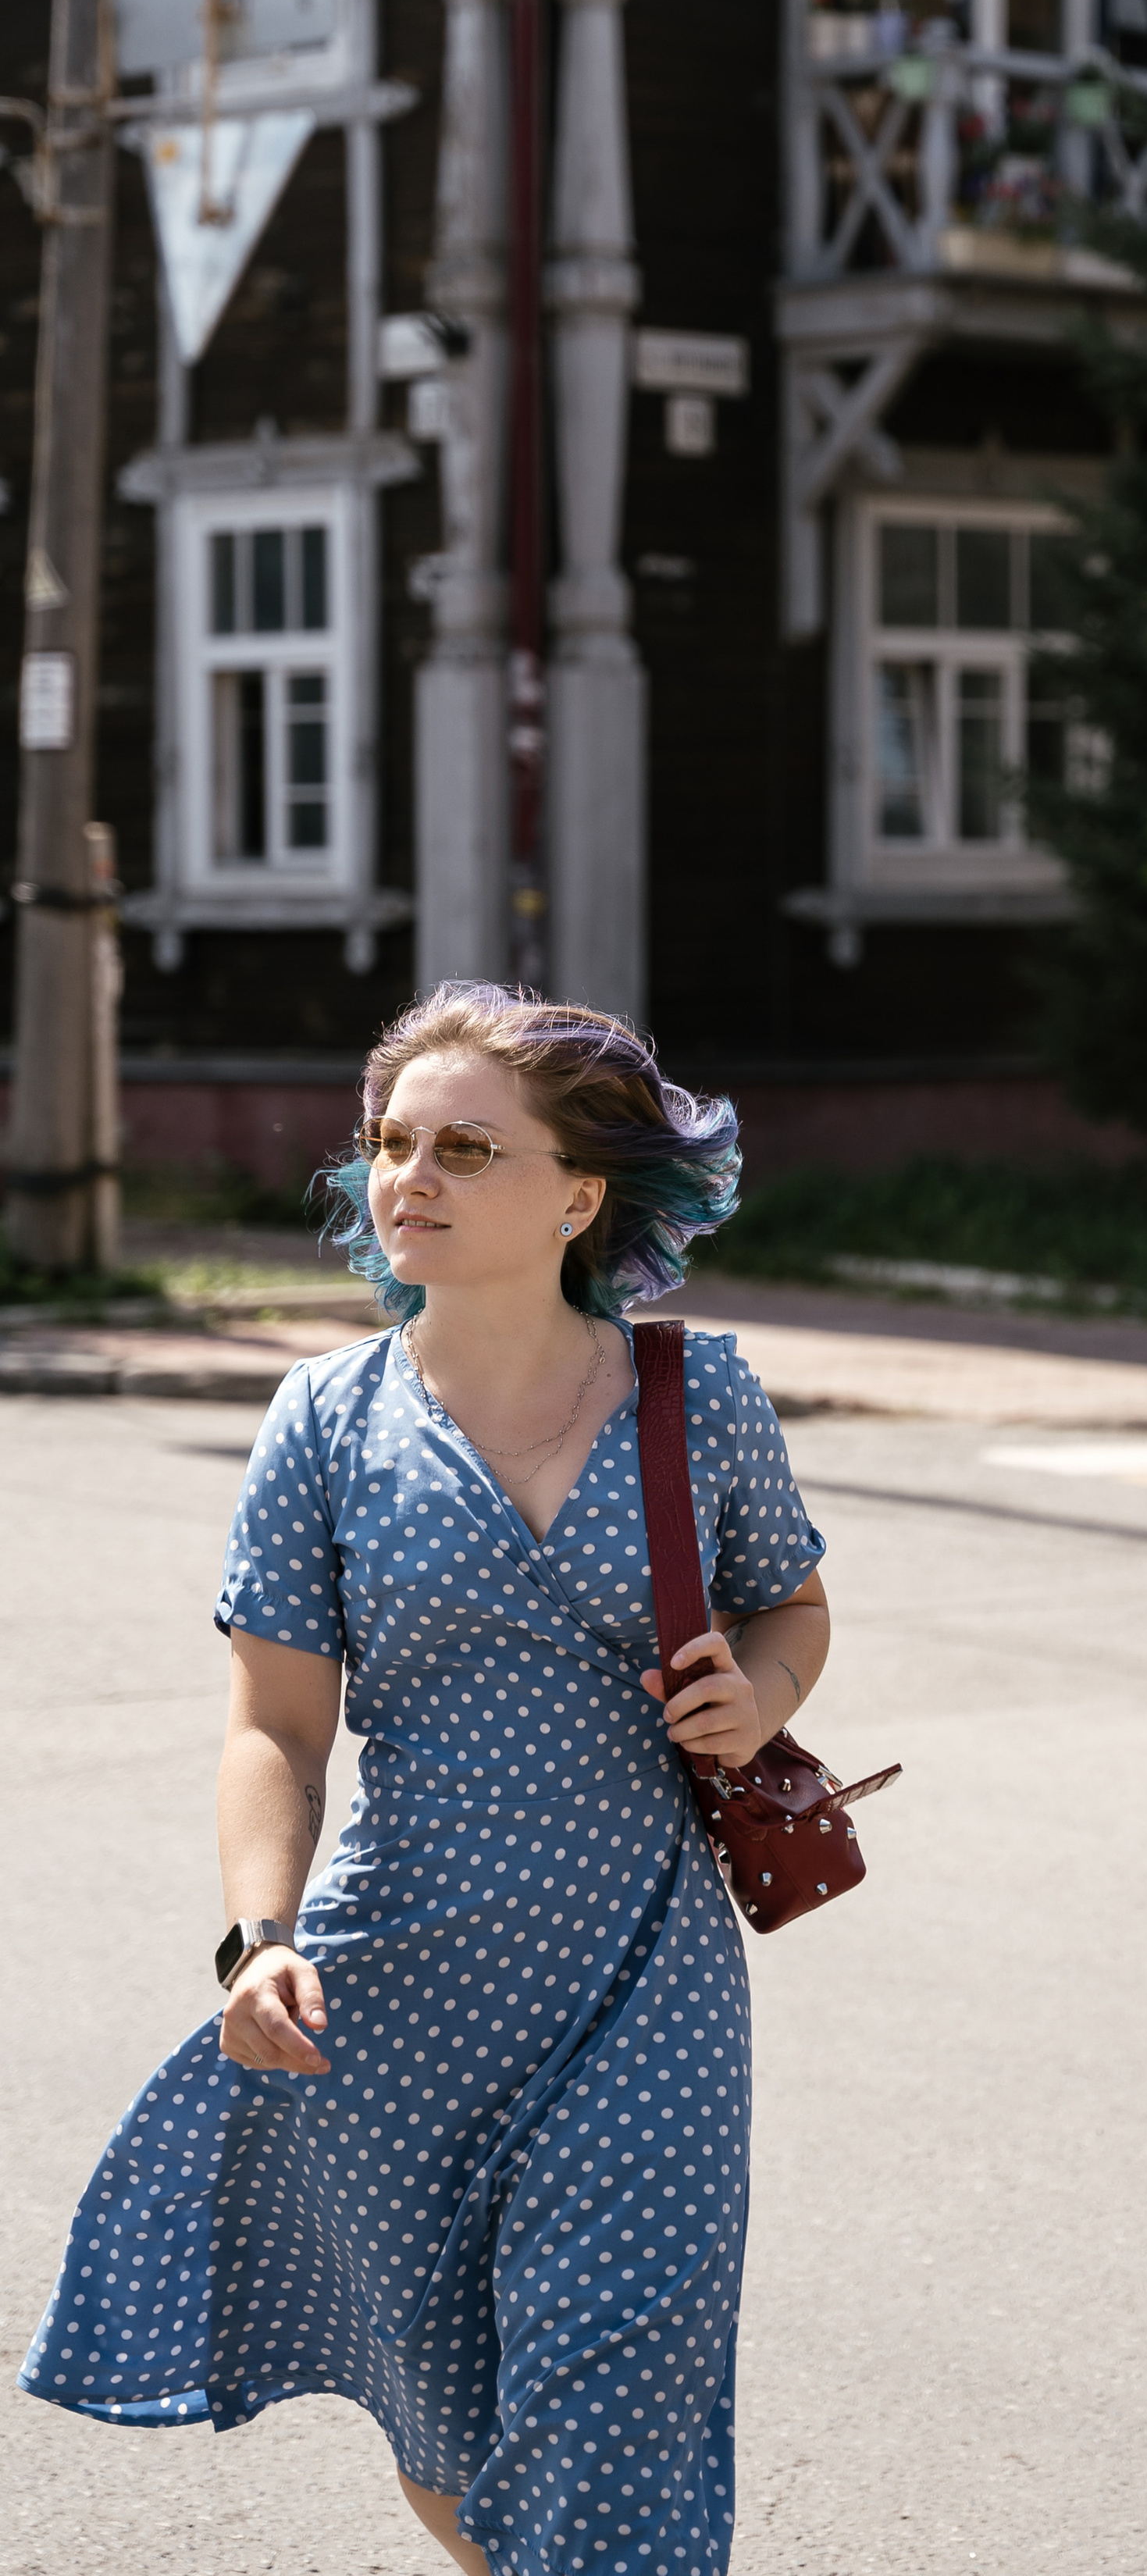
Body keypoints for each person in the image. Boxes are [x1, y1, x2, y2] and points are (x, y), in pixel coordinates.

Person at [19, 982, 832, 2576]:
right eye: (392, 1143)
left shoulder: (696, 1399)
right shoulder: (324, 1419)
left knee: (618, 2385)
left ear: (580, 1194)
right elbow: (272, 1727)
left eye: (468, 1147)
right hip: (402, 1975)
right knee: (448, 2411)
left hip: (640, 1967)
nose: (412, 1178)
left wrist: (766, 1693)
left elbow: (787, 1602)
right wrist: (259, 1940)